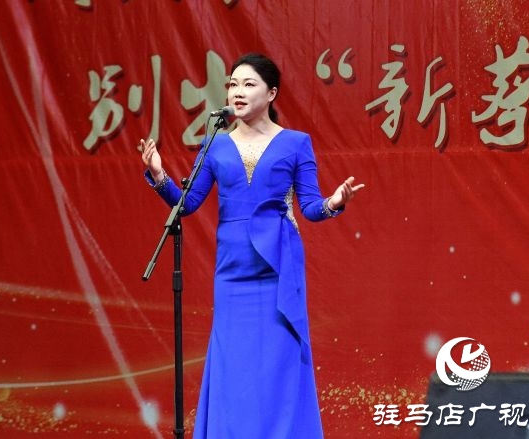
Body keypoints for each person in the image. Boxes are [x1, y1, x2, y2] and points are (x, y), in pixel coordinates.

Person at [138, 53, 364, 438]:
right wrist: (159, 175)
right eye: (232, 85)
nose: (237, 92)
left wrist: (334, 202)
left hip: (278, 268)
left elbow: (310, 207)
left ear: (271, 93)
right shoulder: (215, 143)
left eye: (248, 84)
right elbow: (188, 203)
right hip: (232, 273)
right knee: (235, 366)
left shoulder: (296, 143)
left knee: (279, 364)